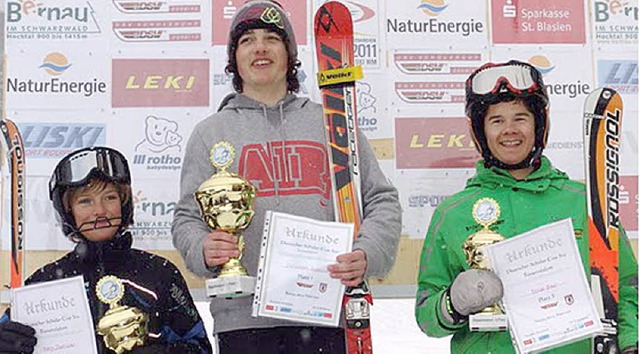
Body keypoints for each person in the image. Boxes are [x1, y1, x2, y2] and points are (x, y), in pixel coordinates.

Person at [171, 1, 402, 353]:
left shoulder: (331, 122)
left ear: (289, 53)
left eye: (271, 39)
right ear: (234, 58)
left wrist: (367, 252)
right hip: (244, 320)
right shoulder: (210, 133)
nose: (260, 48)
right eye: (247, 40)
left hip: (327, 314)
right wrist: (203, 247)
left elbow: (381, 199)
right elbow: (187, 218)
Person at [415, 60, 638, 353]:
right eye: (496, 121)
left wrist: (630, 343)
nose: (509, 130)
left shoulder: (583, 202)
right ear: (480, 131)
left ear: (538, 125)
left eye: (520, 118)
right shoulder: (453, 214)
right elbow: (426, 315)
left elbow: (626, 288)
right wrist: (452, 304)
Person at [0, 146, 212, 353]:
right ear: (68, 212)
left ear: (124, 203)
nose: (100, 211)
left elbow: (200, 346)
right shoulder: (45, 283)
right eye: (85, 201)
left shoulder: (159, 273)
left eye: (110, 197)